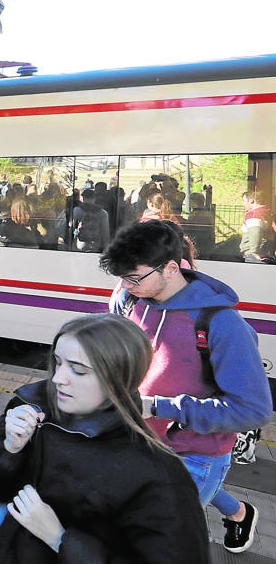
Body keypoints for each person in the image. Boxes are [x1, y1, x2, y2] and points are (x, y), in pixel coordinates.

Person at [0, 314, 210, 562]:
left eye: (78, 371)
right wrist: (8, 449)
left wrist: (60, 539)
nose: (58, 379)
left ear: (119, 379)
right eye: (58, 362)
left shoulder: (156, 473)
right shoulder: (31, 405)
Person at [100, 220, 271, 553]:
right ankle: (237, 513)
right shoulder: (137, 303)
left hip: (195, 460)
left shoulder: (222, 325)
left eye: (133, 277)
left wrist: (158, 406)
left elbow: (253, 409)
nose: (124, 286)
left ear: (171, 269)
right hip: (142, 445)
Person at [240, 190, 275, 263]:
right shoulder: (269, 213)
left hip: (255, 256)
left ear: (252, 201)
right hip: (268, 252)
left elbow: (255, 232)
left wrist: (253, 252)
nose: (243, 204)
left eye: (244, 201)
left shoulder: (253, 215)